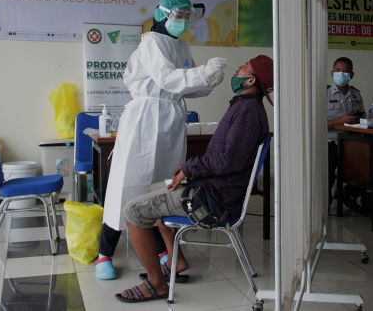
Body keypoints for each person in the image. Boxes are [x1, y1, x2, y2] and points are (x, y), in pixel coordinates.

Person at [114, 55, 272, 303]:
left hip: (213, 201)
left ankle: (156, 284)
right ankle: (176, 262)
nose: (238, 68)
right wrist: (190, 169)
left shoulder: (248, 112)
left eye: (243, 67)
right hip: (215, 190)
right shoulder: (245, 107)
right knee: (155, 188)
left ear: (250, 79)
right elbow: (225, 158)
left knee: (132, 211)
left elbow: (227, 161)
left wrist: (190, 169)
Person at [96, 0, 227, 280]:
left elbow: (186, 84)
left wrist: (208, 81)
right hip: (144, 121)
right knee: (127, 187)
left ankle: (163, 252)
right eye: (178, 16)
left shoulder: (180, 45)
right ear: (162, 14)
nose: (183, 21)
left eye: (187, 17)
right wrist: (202, 74)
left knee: (161, 189)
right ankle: (104, 253)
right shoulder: (151, 42)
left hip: (170, 122)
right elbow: (168, 78)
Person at [327, 57, 365, 205]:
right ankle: (326, 205)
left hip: (351, 143)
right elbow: (315, 124)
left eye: (345, 71)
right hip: (330, 143)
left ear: (352, 75)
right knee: (327, 177)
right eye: (337, 70)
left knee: (363, 172)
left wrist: (359, 121)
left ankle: (344, 194)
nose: (341, 73)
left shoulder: (356, 94)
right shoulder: (324, 94)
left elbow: (362, 117)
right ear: (332, 72)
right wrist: (339, 122)